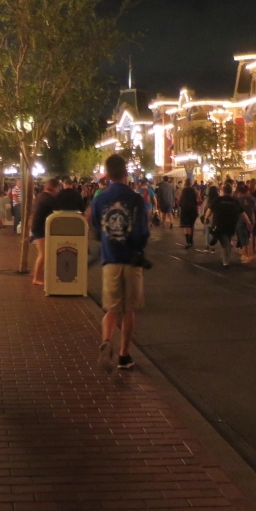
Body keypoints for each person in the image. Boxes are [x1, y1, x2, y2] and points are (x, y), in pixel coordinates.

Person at [91, 154, 149, 371]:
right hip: (132, 259)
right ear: (126, 173)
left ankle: (107, 341)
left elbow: (98, 226)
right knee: (129, 310)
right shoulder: (135, 200)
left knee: (112, 309)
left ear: (107, 175)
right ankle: (124, 356)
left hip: (110, 259)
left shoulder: (99, 200)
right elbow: (143, 231)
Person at [206, 183, 250, 268]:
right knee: (227, 239)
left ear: (223, 191)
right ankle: (227, 259)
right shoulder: (235, 201)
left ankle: (226, 262)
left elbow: (209, 210)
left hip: (220, 224)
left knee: (224, 242)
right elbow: (242, 213)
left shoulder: (217, 200)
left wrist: (205, 218)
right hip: (232, 224)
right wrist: (248, 223)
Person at [30, 178, 62, 285]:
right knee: (43, 254)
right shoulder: (49, 198)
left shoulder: (42, 196)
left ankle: (36, 272)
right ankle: (36, 278)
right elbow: (59, 211)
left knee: (43, 253)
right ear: (55, 187)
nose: (59, 190)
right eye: (58, 188)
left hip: (37, 226)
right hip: (39, 228)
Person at [178, 180, 199, 249]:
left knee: (185, 226)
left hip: (184, 209)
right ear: (191, 184)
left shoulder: (182, 190)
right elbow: (199, 200)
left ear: (185, 184)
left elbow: (178, 200)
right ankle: (191, 240)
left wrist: (180, 204)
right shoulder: (195, 190)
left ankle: (187, 241)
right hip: (193, 209)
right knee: (191, 225)